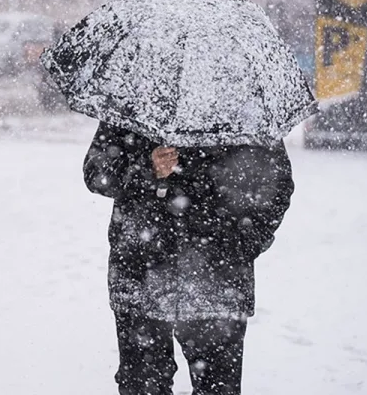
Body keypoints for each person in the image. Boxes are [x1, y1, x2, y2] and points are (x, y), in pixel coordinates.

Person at [83, 122, 294, 395]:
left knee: (217, 389)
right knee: (142, 386)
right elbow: (96, 172)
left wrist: (241, 244)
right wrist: (146, 168)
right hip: (141, 273)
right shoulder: (135, 99)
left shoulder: (242, 106)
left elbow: (277, 184)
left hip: (217, 280)